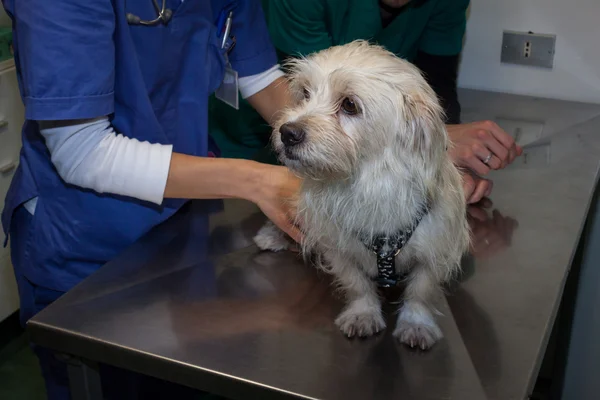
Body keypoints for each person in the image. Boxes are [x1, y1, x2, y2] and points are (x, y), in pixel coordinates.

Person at [1, 0, 301, 398]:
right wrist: (257, 180)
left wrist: (326, 143)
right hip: (86, 242)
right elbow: (81, 150)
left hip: (180, 227)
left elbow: (257, 73)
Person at [209, 0, 523, 203]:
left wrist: (438, 158)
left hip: (369, 149)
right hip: (253, 136)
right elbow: (313, 99)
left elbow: (437, 81)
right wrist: (436, 142)